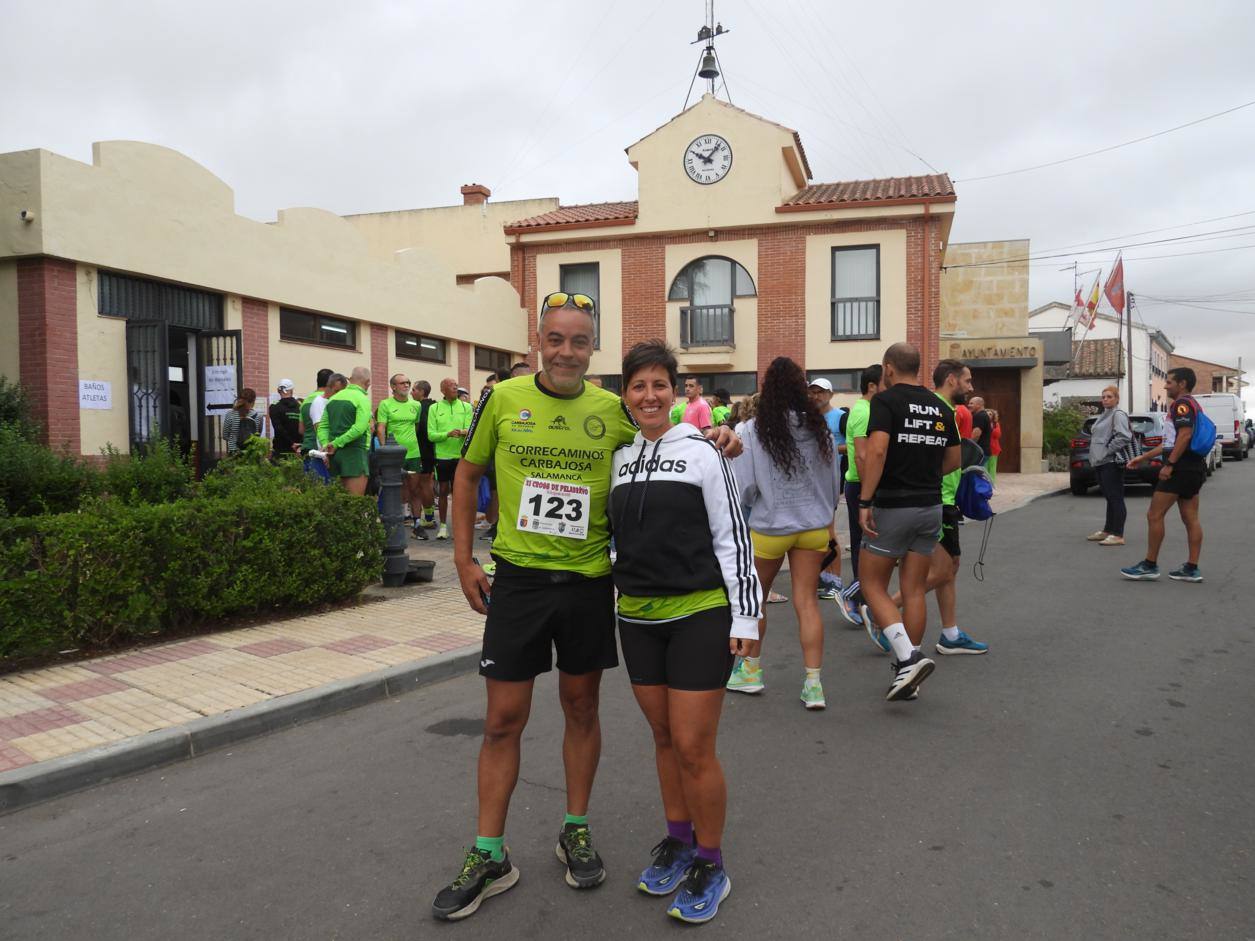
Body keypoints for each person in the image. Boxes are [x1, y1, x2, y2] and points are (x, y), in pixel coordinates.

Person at [432, 290, 740, 921]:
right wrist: (463, 560)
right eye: (556, 340)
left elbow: (663, 436)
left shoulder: (612, 409)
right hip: (518, 583)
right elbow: (466, 474)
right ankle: (489, 853)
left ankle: (576, 829)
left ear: (591, 350)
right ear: (538, 344)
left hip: (588, 585)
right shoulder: (503, 398)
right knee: (502, 720)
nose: (566, 351)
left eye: (578, 341)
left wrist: (717, 436)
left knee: (581, 708)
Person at [611, 340, 760, 924]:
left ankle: (711, 862)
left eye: (659, 385)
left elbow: (732, 536)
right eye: (638, 386)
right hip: (637, 619)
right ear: (626, 395)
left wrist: (746, 616)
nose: (649, 395)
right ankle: (678, 841)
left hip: (700, 614)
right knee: (664, 739)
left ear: (675, 392)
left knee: (695, 746)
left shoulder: (703, 451)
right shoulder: (620, 457)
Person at [727, 356, 840, 710]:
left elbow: (744, 486)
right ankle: (814, 685)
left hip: (770, 527)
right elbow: (833, 482)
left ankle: (750, 671)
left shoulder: (752, 429)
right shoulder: (820, 429)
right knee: (807, 602)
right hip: (813, 527)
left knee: (756, 600)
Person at [856, 343, 960, 701]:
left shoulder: (885, 402)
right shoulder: (940, 406)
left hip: (894, 505)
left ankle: (907, 659)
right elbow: (955, 459)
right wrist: (925, 474)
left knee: (871, 584)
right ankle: (909, 676)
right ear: (918, 367)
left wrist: (865, 500)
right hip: (930, 505)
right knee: (914, 590)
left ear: (888, 368)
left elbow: (877, 450)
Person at [880, 359, 988, 657]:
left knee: (949, 569)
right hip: (937, 500)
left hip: (941, 498)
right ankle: (883, 613)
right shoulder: (941, 411)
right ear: (951, 379)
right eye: (967, 381)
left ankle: (950, 633)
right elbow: (943, 460)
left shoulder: (939, 408)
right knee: (943, 570)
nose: (970, 387)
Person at [1121, 368, 1206, 582]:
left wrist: (1170, 465)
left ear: (1182, 384)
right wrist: (1143, 457)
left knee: (1154, 515)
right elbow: (1169, 442)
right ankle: (1192, 568)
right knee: (1191, 518)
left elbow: (1184, 436)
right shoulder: (1194, 405)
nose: (1166, 386)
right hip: (1194, 467)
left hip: (1180, 468)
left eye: (1169, 382)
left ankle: (1149, 565)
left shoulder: (1181, 405)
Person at [835, 365, 883, 626]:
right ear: (872, 386)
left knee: (862, 545)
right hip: (860, 485)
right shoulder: (865, 412)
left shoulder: (862, 409)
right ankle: (852, 595)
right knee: (869, 547)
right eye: (886, 383)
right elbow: (863, 456)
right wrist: (869, 496)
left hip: (857, 485)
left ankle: (861, 600)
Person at [807, 377, 846, 601]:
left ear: (830, 394)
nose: (816, 396)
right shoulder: (807, 418)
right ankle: (823, 577)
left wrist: (829, 447)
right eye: (812, 392)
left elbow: (853, 446)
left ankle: (836, 580)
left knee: (829, 532)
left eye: (820, 392)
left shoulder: (840, 417)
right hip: (809, 483)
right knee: (816, 533)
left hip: (830, 482)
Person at [376, 373, 425, 532]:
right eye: (402, 383)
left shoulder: (416, 405)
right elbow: (381, 428)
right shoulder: (385, 404)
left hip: (413, 453)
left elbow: (416, 426)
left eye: (408, 382)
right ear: (393, 387)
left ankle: (417, 523)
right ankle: (400, 518)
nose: (406, 385)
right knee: (397, 488)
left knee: (415, 488)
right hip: (395, 454)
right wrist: (385, 451)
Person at [427, 377, 473, 540]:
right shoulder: (434, 408)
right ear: (443, 390)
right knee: (443, 491)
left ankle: (458, 528)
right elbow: (431, 435)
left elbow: (471, 429)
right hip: (442, 456)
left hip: (461, 456)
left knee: (459, 494)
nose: (455, 388)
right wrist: (447, 434)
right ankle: (443, 527)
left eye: (456, 385)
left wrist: (462, 432)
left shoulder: (466, 407)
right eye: (451, 386)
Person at [1087, 386, 1131, 547]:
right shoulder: (1105, 414)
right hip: (1100, 462)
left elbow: (1124, 437)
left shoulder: (1117, 415)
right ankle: (1108, 530)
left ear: (1117, 399)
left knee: (1115, 498)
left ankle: (1118, 534)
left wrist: (1107, 451)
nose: (1105, 399)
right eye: (1103, 397)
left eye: (1109, 396)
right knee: (1109, 498)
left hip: (1111, 463)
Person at [317, 368, 372, 493]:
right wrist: (336, 443)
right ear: (368, 382)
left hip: (333, 456)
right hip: (354, 455)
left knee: (337, 500)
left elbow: (323, 426)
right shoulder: (362, 399)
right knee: (354, 502)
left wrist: (326, 445)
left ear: (350, 380)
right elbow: (359, 428)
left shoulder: (333, 398)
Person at [299, 369, 334, 482]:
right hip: (321, 451)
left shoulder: (305, 402)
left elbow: (301, 430)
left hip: (307, 448)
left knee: (310, 487)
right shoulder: (327, 400)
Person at [413, 380, 438, 533]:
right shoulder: (435, 406)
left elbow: (422, 429)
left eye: (414, 390)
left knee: (424, 484)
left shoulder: (421, 408)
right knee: (427, 483)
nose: (412, 393)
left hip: (423, 450)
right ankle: (428, 516)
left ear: (422, 392)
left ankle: (429, 518)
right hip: (434, 451)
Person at [222, 388, 263, 455]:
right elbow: (257, 436)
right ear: (253, 401)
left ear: (238, 399)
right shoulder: (258, 416)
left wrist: (234, 438)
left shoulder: (230, 414)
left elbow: (225, 436)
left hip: (234, 453)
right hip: (250, 453)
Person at [268, 379, 302, 459]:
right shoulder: (300, 406)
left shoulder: (274, 407)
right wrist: (297, 444)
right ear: (292, 390)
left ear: (278, 391)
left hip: (280, 450)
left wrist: (291, 443)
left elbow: (278, 428)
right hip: (298, 450)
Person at [986, 409, 1002, 483]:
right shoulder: (982, 423)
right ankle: (985, 483)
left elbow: (997, 435)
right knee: (984, 467)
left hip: (994, 449)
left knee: (992, 467)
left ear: (993, 416)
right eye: (987, 414)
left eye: (990, 414)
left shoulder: (996, 424)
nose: (988, 415)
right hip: (985, 448)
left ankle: (992, 483)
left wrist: (991, 428)